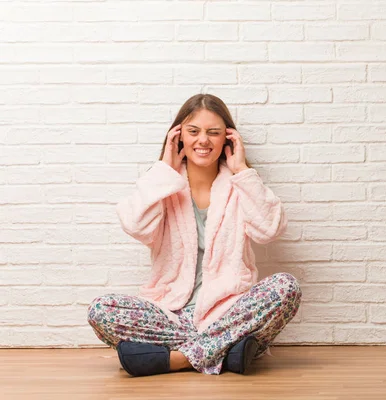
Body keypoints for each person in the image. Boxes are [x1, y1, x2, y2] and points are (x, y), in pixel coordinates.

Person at [87, 94, 302, 377]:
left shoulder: (240, 184)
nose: (203, 140)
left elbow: (270, 229)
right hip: (171, 314)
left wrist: (242, 171)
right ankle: (227, 352)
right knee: (101, 310)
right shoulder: (164, 185)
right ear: (178, 138)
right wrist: (164, 169)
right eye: (193, 131)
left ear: (227, 138)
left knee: (286, 287)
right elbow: (135, 225)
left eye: (213, 132)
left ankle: (177, 359)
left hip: (226, 310)